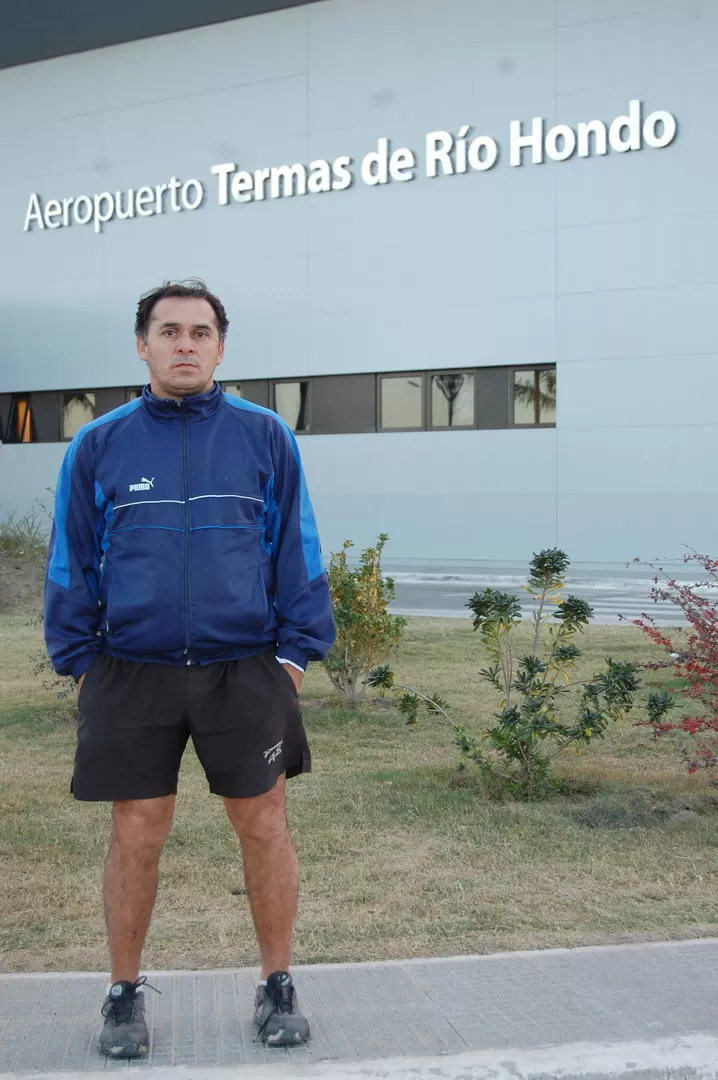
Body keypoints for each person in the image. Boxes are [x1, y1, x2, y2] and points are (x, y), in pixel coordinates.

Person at [44, 279, 336, 1057]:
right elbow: (71, 560)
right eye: (168, 331)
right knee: (137, 831)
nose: (184, 344)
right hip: (130, 671)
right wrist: (80, 664)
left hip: (243, 670)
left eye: (199, 332)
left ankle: (277, 984)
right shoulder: (98, 444)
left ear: (219, 347)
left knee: (265, 822)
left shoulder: (265, 436)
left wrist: (293, 658)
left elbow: (295, 550)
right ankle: (122, 994)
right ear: (142, 345)